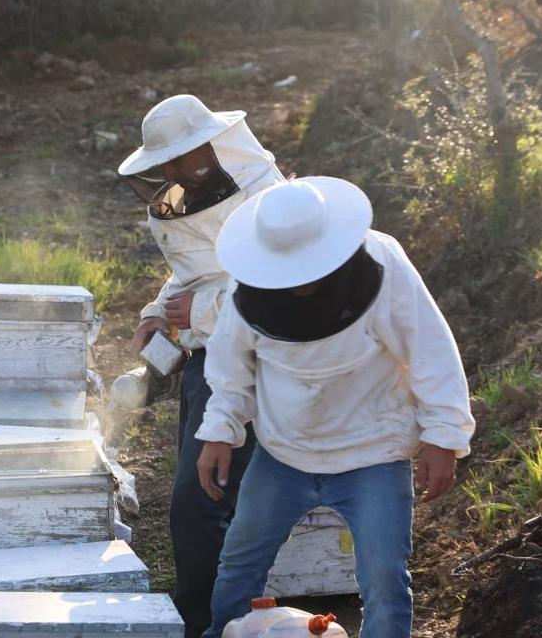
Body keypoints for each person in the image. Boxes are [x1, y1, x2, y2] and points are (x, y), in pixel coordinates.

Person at [193, 177, 476, 638]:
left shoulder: (384, 266)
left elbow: (431, 352)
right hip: (283, 452)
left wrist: (443, 437)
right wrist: (219, 429)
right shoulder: (247, 285)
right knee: (238, 567)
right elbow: (230, 368)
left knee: (385, 579)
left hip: (375, 453)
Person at [117, 94, 286, 638]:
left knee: (202, 499)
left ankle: (212, 622)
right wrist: (156, 312)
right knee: (202, 497)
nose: (171, 171)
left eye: (182, 157)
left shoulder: (269, 201)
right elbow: (192, 269)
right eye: (164, 161)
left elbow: (288, 290)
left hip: (267, 362)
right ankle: (210, 616)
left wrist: (205, 309)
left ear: (214, 146)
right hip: (209, 363)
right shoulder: (190, 195)